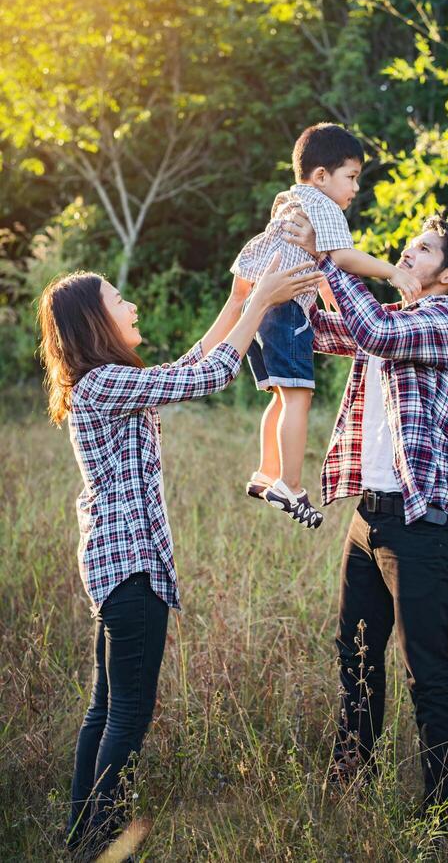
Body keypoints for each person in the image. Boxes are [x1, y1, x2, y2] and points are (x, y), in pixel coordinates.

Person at [37, 256, 320, 857]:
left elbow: (192, 364)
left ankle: (81, 833)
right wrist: (262, 301)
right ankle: (102, 840)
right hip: (130, 567)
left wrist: (241, 295)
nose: (132, 306)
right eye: (119, 301)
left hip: (117, 565)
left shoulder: (106, 384)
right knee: (127, 715)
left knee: (105, 708)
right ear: (94, 322)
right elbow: (209, 377)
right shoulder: (103, 385)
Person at [285, 210, 448, 828]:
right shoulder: (394, 318)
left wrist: (329, 258)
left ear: (447, 274)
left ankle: (446, 814)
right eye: (408, 244)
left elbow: (370, 331)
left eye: (421, 250)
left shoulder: (445, 321)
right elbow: (325, 329)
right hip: (369, 520)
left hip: (420, 525)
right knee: (356, 654)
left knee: (426, 666)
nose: (406, 253)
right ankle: (351, 785)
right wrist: (288, 271)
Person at [230, 123, 421, 529]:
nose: (354, 189)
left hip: (262, 308)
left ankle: (266, 473)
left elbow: (320, 271)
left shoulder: (290, 200)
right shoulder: (323, 207)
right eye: (350, 177)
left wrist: (333, 301)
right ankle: (290, 486)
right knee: (298, 398)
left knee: (281, 398)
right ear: (321, 176)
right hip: (285, 311)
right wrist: (392, 273)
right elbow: (343, 258)